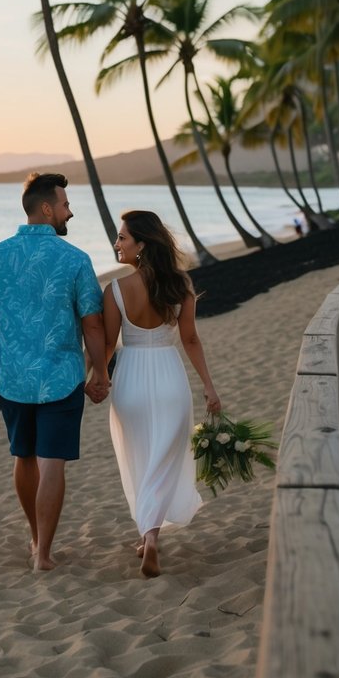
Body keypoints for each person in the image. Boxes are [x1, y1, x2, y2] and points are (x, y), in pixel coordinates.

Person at [0, 172, 110, 571]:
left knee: (24, 456)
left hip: (12, 378)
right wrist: (99, 370)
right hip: (61, 376)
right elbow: (93, 324)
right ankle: (44, 553)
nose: (70, 212)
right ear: (47, 209)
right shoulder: (75, 259)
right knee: (52, 463)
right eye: (65, 205)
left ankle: (34, 537)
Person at [104, 210, 221, 579]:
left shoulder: (115, 291)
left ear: (141, 245)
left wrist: (95, 378)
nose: (117, 243)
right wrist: (208, 385)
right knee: (164, 458)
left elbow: (107, 345)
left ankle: (149, 534)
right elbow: (190, 339)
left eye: (123, 237)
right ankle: (150, 536)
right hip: (170, 377)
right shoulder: (180, 285)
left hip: (130, 380)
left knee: (140, 456)